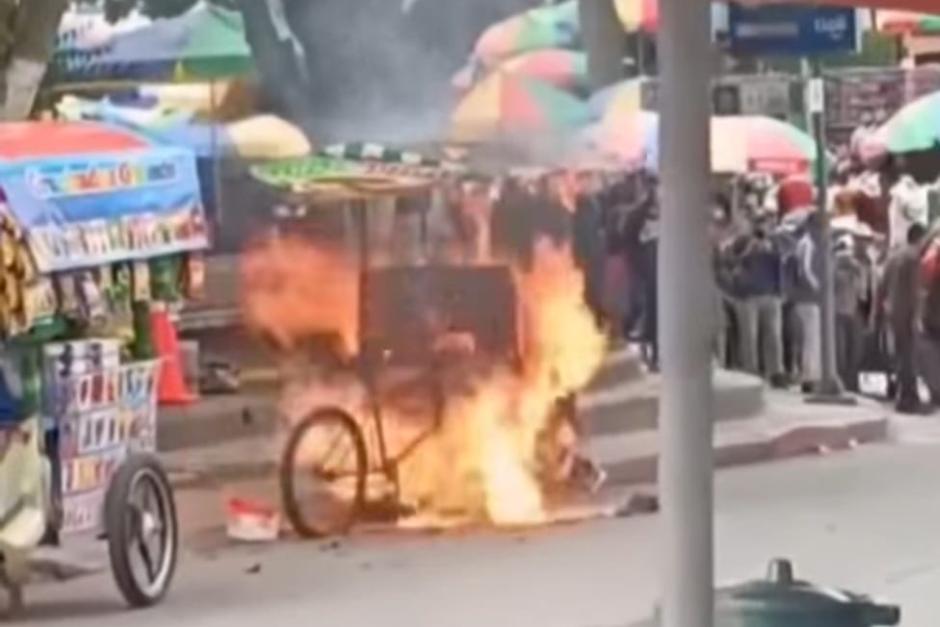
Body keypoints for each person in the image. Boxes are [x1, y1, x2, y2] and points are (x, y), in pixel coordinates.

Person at [726, 213, 785, 386]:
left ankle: (775, 372)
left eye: (768, 224)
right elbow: (731, 262)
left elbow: (782, 264)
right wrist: (748, 250)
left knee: (773, 335)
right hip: (747, 296)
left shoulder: (775, 243)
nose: (765, 228)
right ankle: (750, 372)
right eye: (761, 224)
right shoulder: (742, 242)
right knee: (749, 337)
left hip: (770, 294)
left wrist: (781, 291)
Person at [882, 223, 928, 413]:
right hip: (907, 312)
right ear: (919, 238)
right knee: (909, 358)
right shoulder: (913, 257)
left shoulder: (893, 256)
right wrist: (917, 316)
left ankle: (902, 395)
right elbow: (914, 290)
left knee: (900, 356)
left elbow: (882, 283)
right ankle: (908, 398)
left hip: (893, 312)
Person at [789, 213, 825, 393]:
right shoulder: (808, 244)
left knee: (810, 338)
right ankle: (810, 376)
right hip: (808, 298)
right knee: (811, 338)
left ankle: (810, 374)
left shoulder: (804, 243)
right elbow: (805, 268)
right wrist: (817, 287)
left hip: (805, 298)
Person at [833, 234, 864, 393]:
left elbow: (862, 292)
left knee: (853, 351)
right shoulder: (833, 266)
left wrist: (856, 272)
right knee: (841, 351)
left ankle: (852, 382)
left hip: (852, 312)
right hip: (839, 312)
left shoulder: (856, 268)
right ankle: (842, 382)